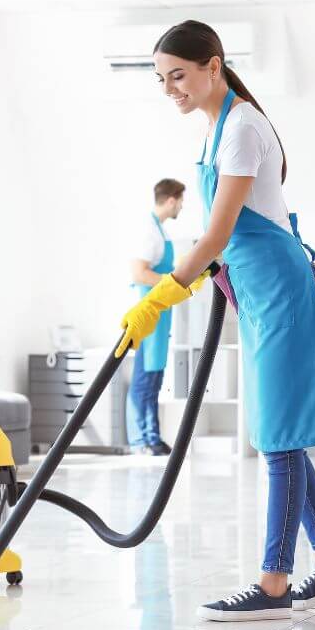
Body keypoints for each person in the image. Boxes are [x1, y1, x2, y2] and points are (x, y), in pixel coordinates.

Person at [115, 20, 315, 622]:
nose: (170, 88)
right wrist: (199, 278)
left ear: (213, 65)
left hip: (281, 288)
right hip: (257, 290)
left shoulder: (243, 127)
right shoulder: (215, 130)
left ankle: (273, 586)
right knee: (282, 435)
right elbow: (221, 236)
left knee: (277, 440)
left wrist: (161, 296)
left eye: (179, 74)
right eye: (161, 79)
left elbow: (220, 232)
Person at [126, 178, 186, 456]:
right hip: (149, 311)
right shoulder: (148, 231)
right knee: (144, 376)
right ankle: (141, 439)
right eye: (181, 200)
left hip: (160, 313)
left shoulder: (159, 230)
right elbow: (139, 273)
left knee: (154, 376)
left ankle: (153, 436)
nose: (182, 206)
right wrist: (170, 282)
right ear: (171, 199)